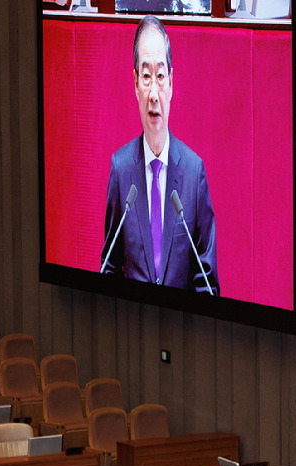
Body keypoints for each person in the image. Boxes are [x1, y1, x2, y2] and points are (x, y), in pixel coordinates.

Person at [102, 15, 219, 296]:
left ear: (171, 82)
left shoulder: (193, 172)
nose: (153, 92)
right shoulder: (120, 169)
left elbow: (207, 281)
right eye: (146, 76)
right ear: (135, 83)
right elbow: (109, 268)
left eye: (160, 75)